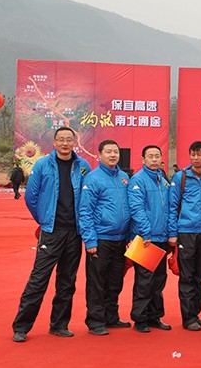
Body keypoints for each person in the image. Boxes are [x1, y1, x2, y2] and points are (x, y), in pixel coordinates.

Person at [12, 126, 91, 342]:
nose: (65, 144)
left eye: (69, 140)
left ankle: (59, 324)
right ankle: (21, 327)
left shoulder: (83, 166)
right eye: (61, 140)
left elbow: (88, 198)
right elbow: (31, 197)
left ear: (74, 142)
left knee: (67, 281)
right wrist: (45, 219)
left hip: (74, 233)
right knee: (39, 279)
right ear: (54, 142)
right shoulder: (42, 165)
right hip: (51, 232)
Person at [78, 139, 132, 336]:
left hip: (120, 239)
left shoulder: (124, 177)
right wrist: (90, 240)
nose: (112, 155)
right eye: (108, 152)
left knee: (115, 281)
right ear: (99, 155)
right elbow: (85, 210)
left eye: (115, 151)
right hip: (100, 239)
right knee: (97, 282)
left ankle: (111, 316)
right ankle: (95, 320)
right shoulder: (92, 179)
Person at [167, 141, 201, 331]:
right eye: (192, 154)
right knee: (187, 276)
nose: (195, 158)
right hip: (186, 232)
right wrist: (173, 233)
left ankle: (196, 313)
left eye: (199, 154)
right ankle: (188, 318)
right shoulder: (181, 177)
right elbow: (172, 206)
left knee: (199, 276)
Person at [128, 144, 173, 332]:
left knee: (159, 279)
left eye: (157, 156)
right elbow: (137, 209)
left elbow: (169, 208)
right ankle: (140, 318)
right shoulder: (138, 180)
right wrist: (146, 232)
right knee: (145, 280)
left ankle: (155, 316)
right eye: (150, 156)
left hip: (162, 237)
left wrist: (171, 233)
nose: (154, 159)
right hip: (146, 239)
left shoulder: (163, 180)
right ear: (143, 159)